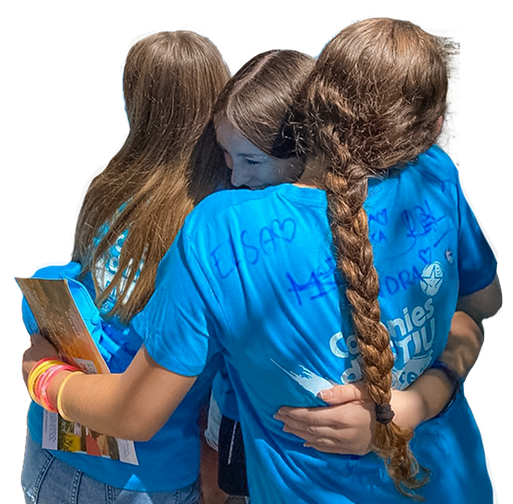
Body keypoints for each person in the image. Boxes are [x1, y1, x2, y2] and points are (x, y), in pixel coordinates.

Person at [21, 17, 501, 503]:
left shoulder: (222, 231)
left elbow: (136, 414)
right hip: (458, 485)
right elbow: (480, 309)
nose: (237, 176)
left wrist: (43, 377)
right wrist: (412, 403)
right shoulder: (437, 174)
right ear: (433, 126)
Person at [20, 26, 231, 504]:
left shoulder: (106, 183)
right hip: (151, 470)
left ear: (138, 99)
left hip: (57, 442)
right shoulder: (220, 218)